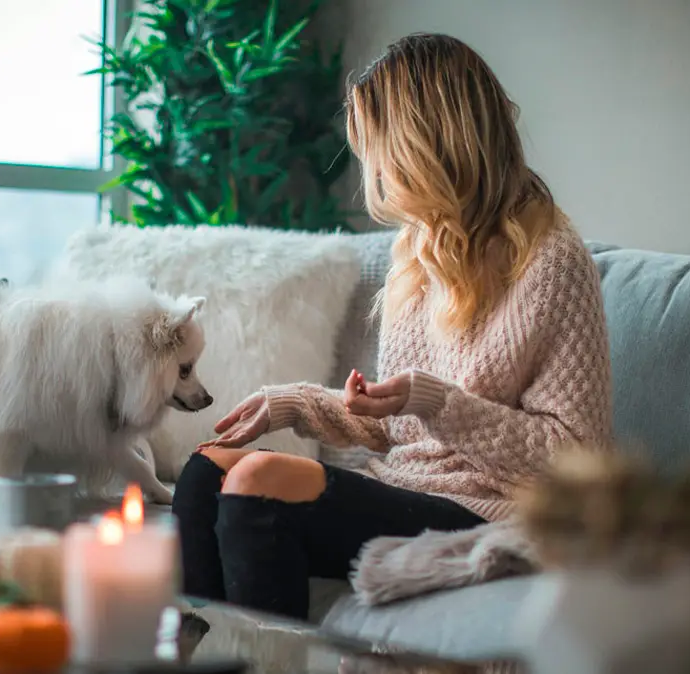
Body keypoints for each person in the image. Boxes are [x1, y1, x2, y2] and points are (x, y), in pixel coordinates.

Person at [171, 32, 613, 621]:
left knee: (259, 482)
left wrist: (439, 403)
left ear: (425, 144)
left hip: (492, 510)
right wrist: (297, 403)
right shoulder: (419, 247)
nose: (372, 167)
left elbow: (576, 459)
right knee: (206, 471)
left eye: (378, 147)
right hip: (404, 487)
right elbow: (399, 425)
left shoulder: (551, 260)